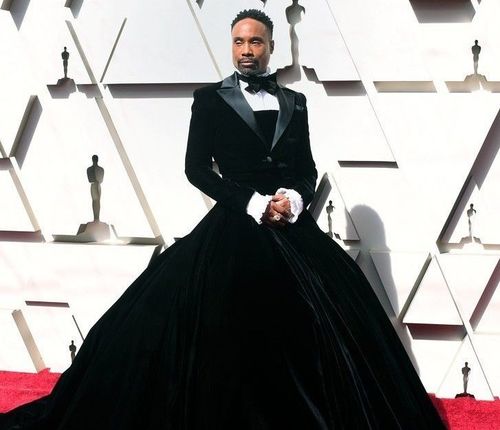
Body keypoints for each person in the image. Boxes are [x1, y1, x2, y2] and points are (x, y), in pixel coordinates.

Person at [0, 9, 445, 429]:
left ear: (272, 47)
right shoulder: (209, 99)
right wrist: (252, 202)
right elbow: (196, 169)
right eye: (238, 42)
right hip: (235, 222)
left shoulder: (297, 102)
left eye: (255, 41)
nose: (246, 49)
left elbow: (305, 169)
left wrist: (293, 196)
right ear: (231, 47)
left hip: (293, 227)